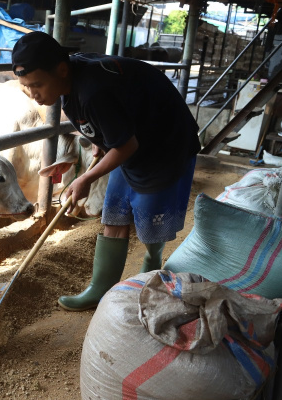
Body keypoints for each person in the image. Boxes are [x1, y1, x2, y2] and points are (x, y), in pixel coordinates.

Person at [11, 31, 200, 311]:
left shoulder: (92, 91)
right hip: (135, 137)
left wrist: (87, 176)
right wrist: (101, 142)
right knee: (115, 212)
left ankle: (150, 266)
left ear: (62, 69)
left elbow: (126, 145)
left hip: (165, 144)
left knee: (150, 224)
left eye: (37, 84)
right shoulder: (70, 81)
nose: (32, 94)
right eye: (25, 86)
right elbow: (112, 124)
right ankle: (100, 289)